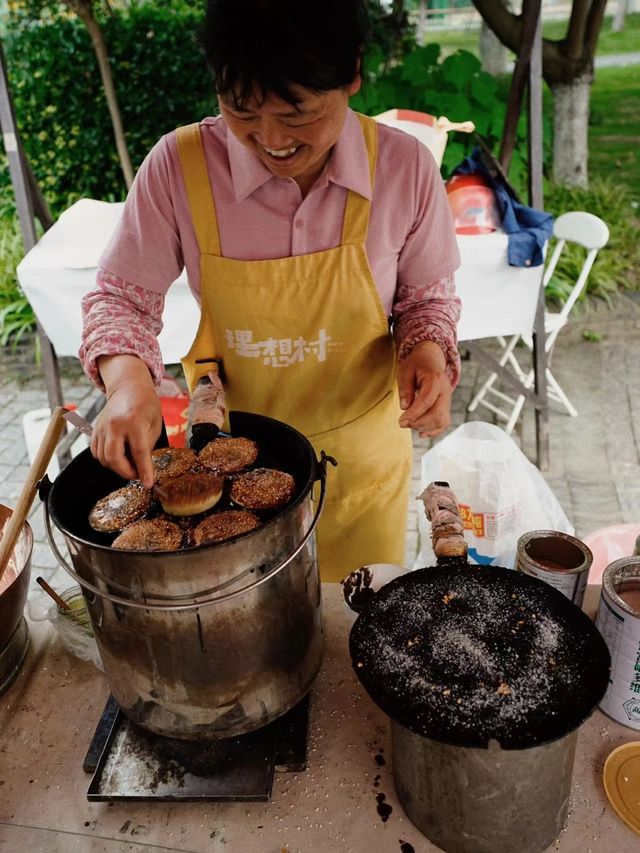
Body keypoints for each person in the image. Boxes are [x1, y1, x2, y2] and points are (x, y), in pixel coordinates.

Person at [80, 0, 461, 581]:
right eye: (241, 111)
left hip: (359, 468)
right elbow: (120, 297)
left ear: (353, 74)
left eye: (296, 112)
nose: (270, 138)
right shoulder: (178, 168)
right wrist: (129, 384)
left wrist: (427, 353)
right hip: (225, 477)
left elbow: (426, 299)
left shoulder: (404, 168)